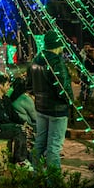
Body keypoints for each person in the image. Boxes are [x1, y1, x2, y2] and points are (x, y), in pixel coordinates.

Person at [26, 30, 73, 171]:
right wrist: (69, 101)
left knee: (40, 142)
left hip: (41, 108)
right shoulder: (56, 62)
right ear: (58, 45)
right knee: (54, 147)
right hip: (57, 111)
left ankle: (37, 174)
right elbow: (63, 88)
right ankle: (54, 182)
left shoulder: (36, 61)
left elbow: (29, 86)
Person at [0, 73, 32, 170]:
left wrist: (23, 122)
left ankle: (26, 158)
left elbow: (13, 114)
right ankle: (20, 160)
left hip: (6, 126)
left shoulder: (6, 99)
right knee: (18, 129)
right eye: (7, 85)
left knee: (22, 129)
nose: (9, 87)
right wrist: (14, 124)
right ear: (0, 85)